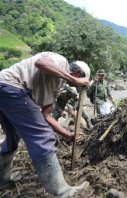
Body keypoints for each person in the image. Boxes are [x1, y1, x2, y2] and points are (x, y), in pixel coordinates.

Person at [0, 52, 90, 196]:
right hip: (12, 87)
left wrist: (68, 134)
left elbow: (46, 116)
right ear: (78, 73)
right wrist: (73, 79)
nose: (78, 86)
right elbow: (41, 63)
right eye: (81, 81)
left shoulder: (56, 86)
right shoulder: (61, 62)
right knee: (43, 136)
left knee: (12, 136)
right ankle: (63, 192)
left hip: (4, 89)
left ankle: (2, 181)